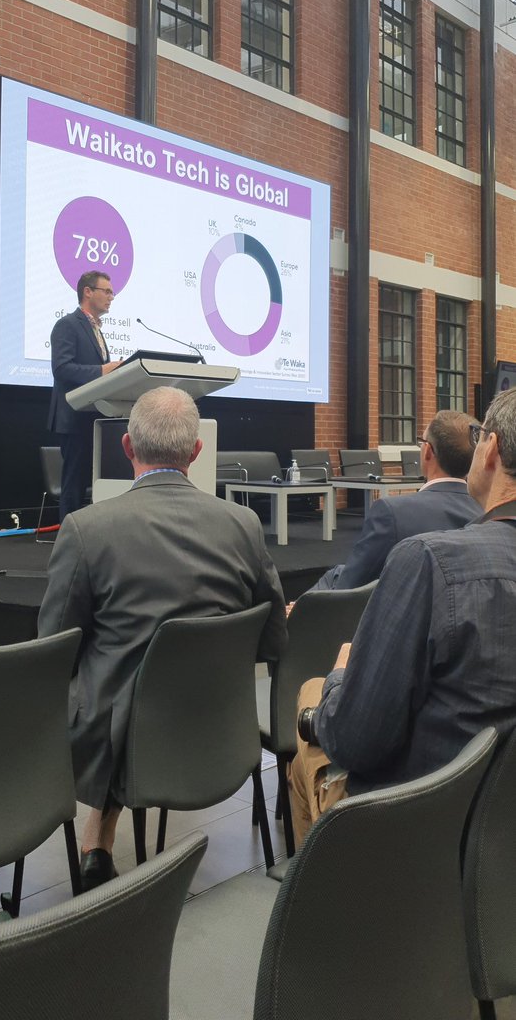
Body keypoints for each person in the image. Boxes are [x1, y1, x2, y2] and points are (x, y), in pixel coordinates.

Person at [38, 386, 288, 889]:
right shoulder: (243, 524)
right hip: (220, 729)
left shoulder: (86, 529)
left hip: (120, 742)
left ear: (127, 446)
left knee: (102, 676)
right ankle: (98, 837)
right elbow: (272, 642)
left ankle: (95, 841)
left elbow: (53, 652)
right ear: (196, 452)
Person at [288, 387, 516, 846]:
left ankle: (337, 887)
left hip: (423, 830)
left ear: (490, 448)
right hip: (500, 831)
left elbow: (355, 741)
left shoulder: (428, 561)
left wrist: (337, 680)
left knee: (309, 720)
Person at [311, 410, 481, 591]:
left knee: (332, 579)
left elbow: (350, 586)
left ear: (427, 452)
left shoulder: (392, 513)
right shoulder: (486, 512)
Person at [47, 270, 123, 519]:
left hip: (95, 418)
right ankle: (69, 534)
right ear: (88, 292)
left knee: (96, 481)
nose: (111, 297)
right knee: (74, 483)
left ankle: (90, 533)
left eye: (112, 292)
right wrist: (103, 370)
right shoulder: (67, 325)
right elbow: (62, 369)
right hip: (74, 417)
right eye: (107, 291)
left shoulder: (97, 330)